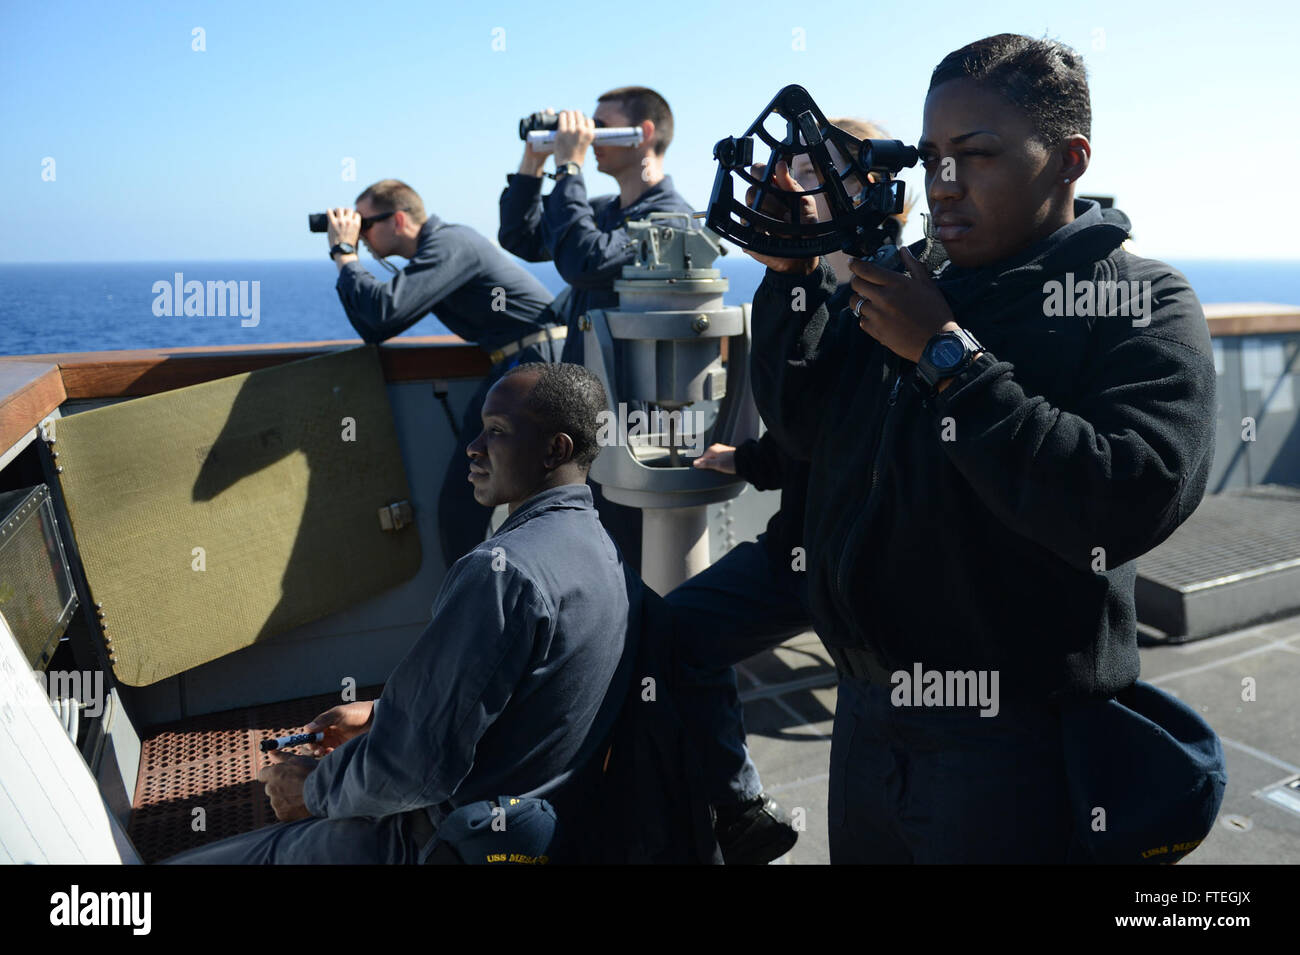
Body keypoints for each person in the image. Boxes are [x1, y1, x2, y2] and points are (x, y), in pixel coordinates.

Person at [745, 34, 1217, 862]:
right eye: (931, 158)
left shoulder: (1141, 301)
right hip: (864, 723)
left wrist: (949, 357)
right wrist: (790, 277)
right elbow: (805, 430)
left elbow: (1124, 498)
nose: (943, 185)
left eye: (977, 155)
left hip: (1008, 753)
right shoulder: (913, 280)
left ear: (1068, 161)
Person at [162, 362, 637, 864]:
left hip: (431, 843)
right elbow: (525, 705)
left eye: (496, 432)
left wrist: (312, 789)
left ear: (555, 449)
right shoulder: (606, 554)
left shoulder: (502, 574)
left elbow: (412, 770)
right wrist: (383, 716)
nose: (473, 447)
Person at [667, 117, 912, 864]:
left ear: (870, 185)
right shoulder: (816, 288)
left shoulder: (912, 292)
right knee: (669, 637)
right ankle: (738, 806)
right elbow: (809, 433)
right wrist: (748, 459)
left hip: (882, 571)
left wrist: (787, 279)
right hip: (802, 548)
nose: (794, 189)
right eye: (792, 173)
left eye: (815, 172)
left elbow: (823, 424)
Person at [499, 86, 695, 574]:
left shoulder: (670, 220)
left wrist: (568, 168)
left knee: (626, 558)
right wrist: (534, 159)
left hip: (635, 424)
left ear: (643, 133)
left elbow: (582, 260)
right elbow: (520, 236)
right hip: (590, 415)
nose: (588, 134)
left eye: (601, 124)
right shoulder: (609, 212)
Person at [327, 178, 563, 568]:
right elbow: (373, 324)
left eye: (364, 224)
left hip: (535, 365)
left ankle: (476, 608)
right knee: (471, 498)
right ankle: (477, 603)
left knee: (471, 499)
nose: (359, 234)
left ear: (398, 219)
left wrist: (344, 253)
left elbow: (382, 314)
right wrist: (347, 258)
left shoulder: (449, 244)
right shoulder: (439, 249)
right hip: (521, 365)